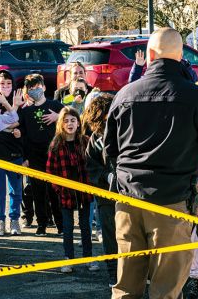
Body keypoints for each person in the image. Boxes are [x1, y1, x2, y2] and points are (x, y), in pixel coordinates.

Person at [104, 27, 198, 299]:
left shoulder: (125, 95)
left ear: (149, 55)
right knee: (166, 291)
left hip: (128, 202)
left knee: (125, 289)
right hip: (171, 204)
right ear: (181, 56)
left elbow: (108, 151)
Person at [46, 107, 96, 273]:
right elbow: (50, 171)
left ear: (78, 122)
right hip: (66, 194)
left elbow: (93, 166)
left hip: (84, 193)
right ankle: (68, 258)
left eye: (73, 120)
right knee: (67, 227)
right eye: (66, 120)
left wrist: (91, 186)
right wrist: (59, 190)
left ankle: (89, 258)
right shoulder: (56, 144)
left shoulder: (85, 141)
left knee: (85, 227)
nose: (70, 123)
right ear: (61, 123)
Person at [20, 74, 64, 237]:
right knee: (38, 191)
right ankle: (42, 224)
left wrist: (58, 117)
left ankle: (61, 224)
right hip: (34, 156)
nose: (35, 90)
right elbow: (22, 135)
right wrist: (25, 157)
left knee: (55, 191)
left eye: (37, 87)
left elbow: (74, 118)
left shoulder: (55, 105)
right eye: (31, 88)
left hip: (53, 154)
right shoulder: (25, 111)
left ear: (44, 87)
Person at [0, 71, 24, 237]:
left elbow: (18, 121)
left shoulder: (19, 99)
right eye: (2, 84)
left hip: (16, 154)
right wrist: (9, 127)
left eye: (9, 83)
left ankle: (15, 219)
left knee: (16, 190)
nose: (6, 87)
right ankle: (0, 221)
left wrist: (13, 110)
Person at [85, 94, 117, 287]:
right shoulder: (95, 139)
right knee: (110, 237)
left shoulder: (124, 131)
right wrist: (107, 176)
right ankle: (114, 274)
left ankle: (137, 273)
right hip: (106, 197)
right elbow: (91, 166)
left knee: (132, 237)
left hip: (129, 195)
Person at [128, 49, 198, 83]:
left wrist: (138, 67)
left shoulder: (187, 69)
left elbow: (132, 87)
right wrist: (138, 67)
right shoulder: (187, 69)